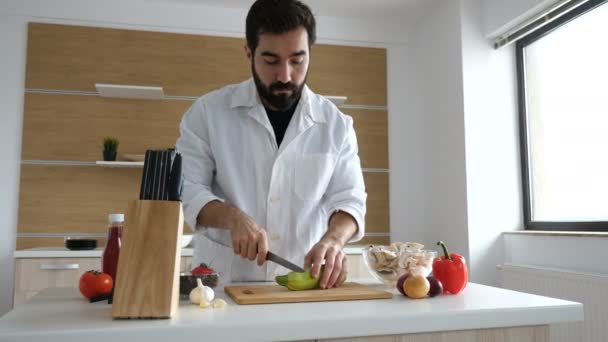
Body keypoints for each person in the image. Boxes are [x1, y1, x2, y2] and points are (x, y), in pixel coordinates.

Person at [176, 0, 366, 289]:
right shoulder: (207, 113)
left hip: (303, 288)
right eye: (271, 60)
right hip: (222, 287)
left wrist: (334, 240)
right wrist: (233, 217)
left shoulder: (337, 125)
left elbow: (349, 199)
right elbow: (187, 189)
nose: (285, 76)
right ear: (249, 53)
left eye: (297, 60)